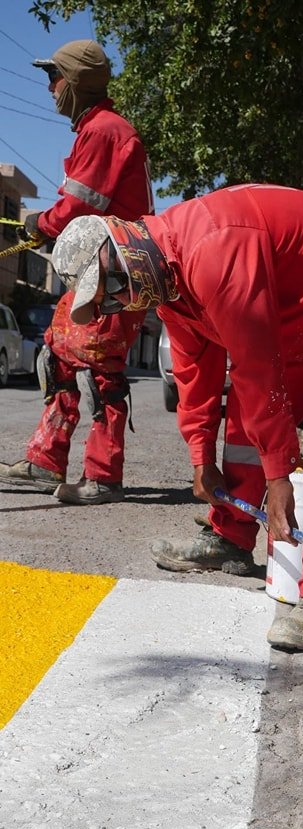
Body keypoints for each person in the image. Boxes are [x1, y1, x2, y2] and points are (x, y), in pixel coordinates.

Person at [49, 184, 303, 649]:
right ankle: (230, 535)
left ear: (124, 246)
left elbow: (255, 363)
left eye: (110, 288)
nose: (119, 303)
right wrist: (200, 457)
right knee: (251, 412)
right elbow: (194, 372)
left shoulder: (213, 247)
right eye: (108, 303)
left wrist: (278, 478)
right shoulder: (167, 282)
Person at [0, 39, 154, 505]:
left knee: (99, 368)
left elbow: (81, 206)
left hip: (117, 271)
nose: (50, 88)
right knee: (59, 355)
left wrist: (39, 224)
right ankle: (46, 460)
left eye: (54, 77)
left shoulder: (105, 130)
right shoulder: (99, 128)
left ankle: (104, 476)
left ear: (76, 83)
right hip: (103, 268)